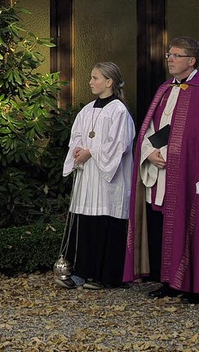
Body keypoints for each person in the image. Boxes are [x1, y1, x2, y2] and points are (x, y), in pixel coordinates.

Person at [124, 36, 199, 303]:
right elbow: (151, 129)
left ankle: (193, 287)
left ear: (191, 60)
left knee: (191, 226)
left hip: (191, 173)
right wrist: (150, 154)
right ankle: (168, 282)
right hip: (162, 170)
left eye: (176, 55)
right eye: (169, 54)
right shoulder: (164, 89)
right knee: (164, 223)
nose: (170, 59)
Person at [58, 62, 135, 289]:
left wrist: (90, 152)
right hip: (88, 176)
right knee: (85, 224)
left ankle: (105, 276)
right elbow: (77, 135)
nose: (90, 82)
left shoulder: (119, 111)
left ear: (109, 82)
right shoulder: (87, 109)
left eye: (95, 78)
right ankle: (81, 272)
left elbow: (119, 145)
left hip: (108, 180)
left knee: (104, 223)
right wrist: (78, 151)